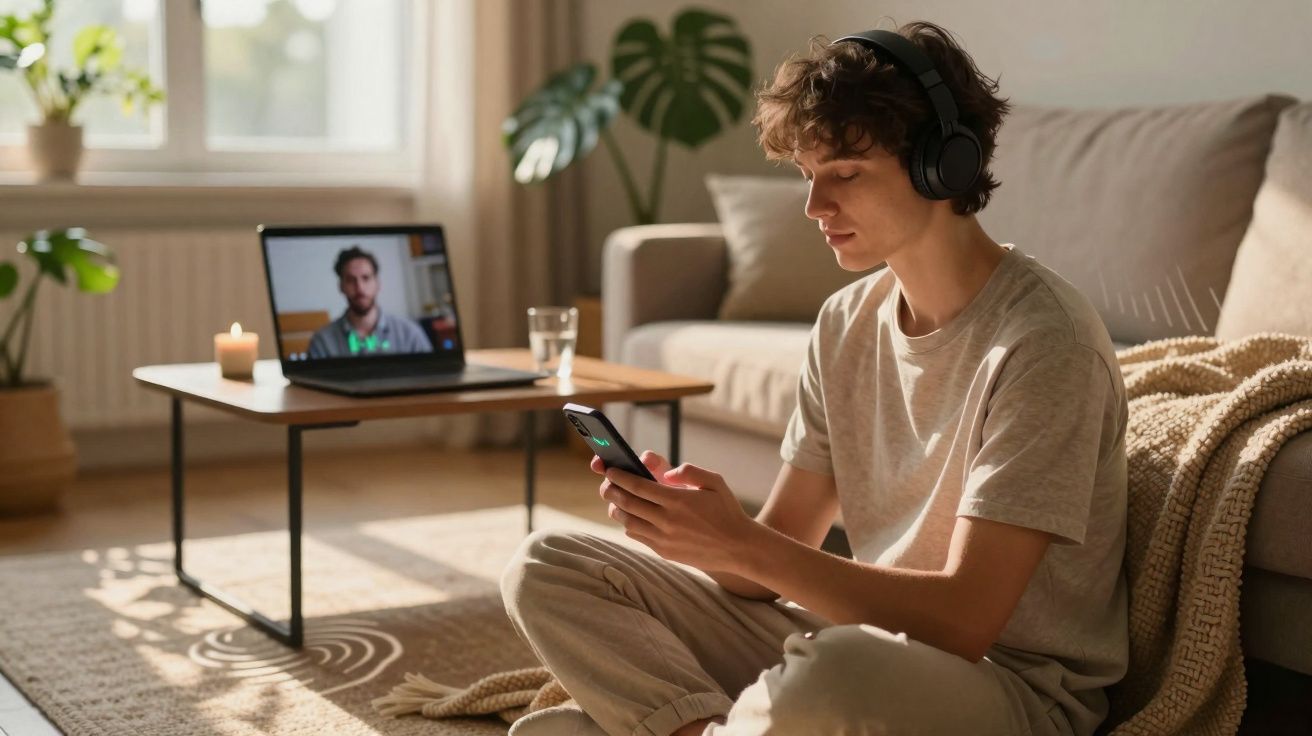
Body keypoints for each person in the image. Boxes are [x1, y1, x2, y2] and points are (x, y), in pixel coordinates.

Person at [501, 20, 1127, 736]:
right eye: (808, 177)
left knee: (829, 674)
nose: (814, 207)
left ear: (941, 165)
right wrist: (702, 531)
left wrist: (748, 548)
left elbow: (965, 621)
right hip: (859, 642)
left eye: (846, 175)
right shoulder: (845, 323)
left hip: (1005, 687)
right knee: (545, 564)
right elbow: (772, 557)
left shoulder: (1046, 343)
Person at [307, 245, 433, 359]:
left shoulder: (410, 334)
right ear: (341, 286)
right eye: (351, 280)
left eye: (366, 278)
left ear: (377, 284)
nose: (360, 288)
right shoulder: (322, 342)